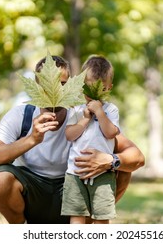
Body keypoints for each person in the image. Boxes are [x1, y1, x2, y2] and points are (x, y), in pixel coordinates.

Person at [0, 55, 145, 224]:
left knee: (123, 169)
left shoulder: (84, 114)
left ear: (73, 85)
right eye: (48, 85)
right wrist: (31, 139)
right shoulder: (21, 115)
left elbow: (137, 157)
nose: (55, 91)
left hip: (73, 188)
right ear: (37, 87)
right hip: (33, 191)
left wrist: (111, 160)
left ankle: (87, 222)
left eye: (63, 84)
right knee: (0, 179)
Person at [61, 55, 120, 224]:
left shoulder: (111, 110)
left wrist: (100, 112)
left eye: (98, 89)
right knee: (77, 216)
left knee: (101, 217)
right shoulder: (76, 109)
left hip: (103, 174)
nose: (91, 95)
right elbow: (69, 135)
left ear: (108, 88)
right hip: (75, 172)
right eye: (87, 89)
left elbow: (110, 133)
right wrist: (85, 119)